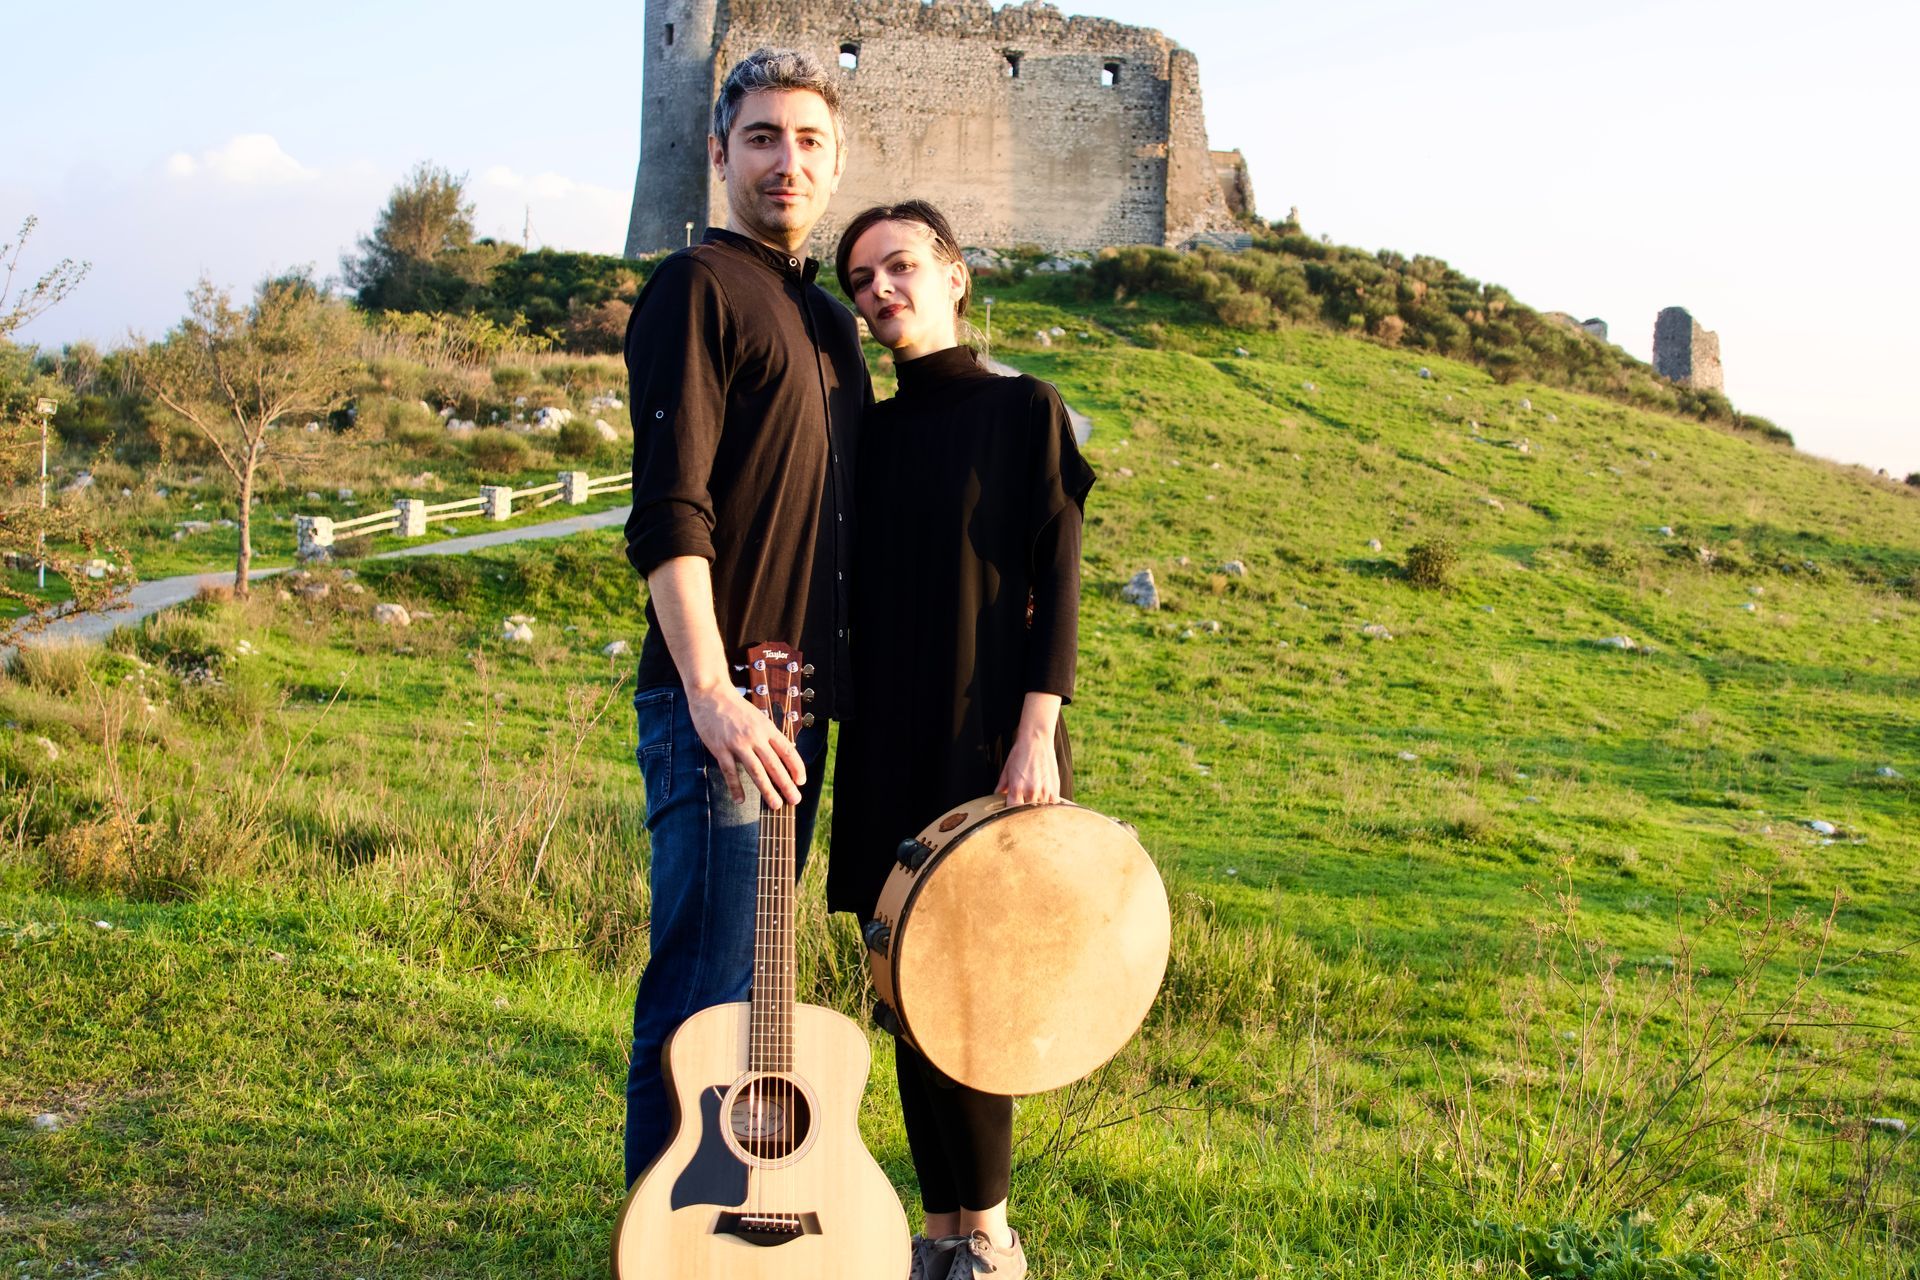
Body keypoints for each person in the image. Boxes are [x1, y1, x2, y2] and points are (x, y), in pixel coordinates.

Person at [828, 201, 1095, 1280]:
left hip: (993, 734)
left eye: (900, 266)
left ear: (954, 274)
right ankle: (936, 1230)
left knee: (977, 988)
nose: (881, 290)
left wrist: (1037, 734)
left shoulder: (1027, 408)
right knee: (906, 986)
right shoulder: (868, 432)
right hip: (890, 734)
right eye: (861, 280)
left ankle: (988, 1235)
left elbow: (1060, 582)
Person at [619, 46, 868, 1189]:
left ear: (836, 161)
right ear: (718, 153)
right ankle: (661, 1242)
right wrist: (713, 696)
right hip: (720, 705)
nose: (786, 160)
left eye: (808, 140)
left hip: (793, 713)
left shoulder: (824, 320)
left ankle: (726, 1235)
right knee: (701, 1000)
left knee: (758, 999)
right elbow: (669, 508)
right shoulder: (699, 289)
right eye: (762, 137)